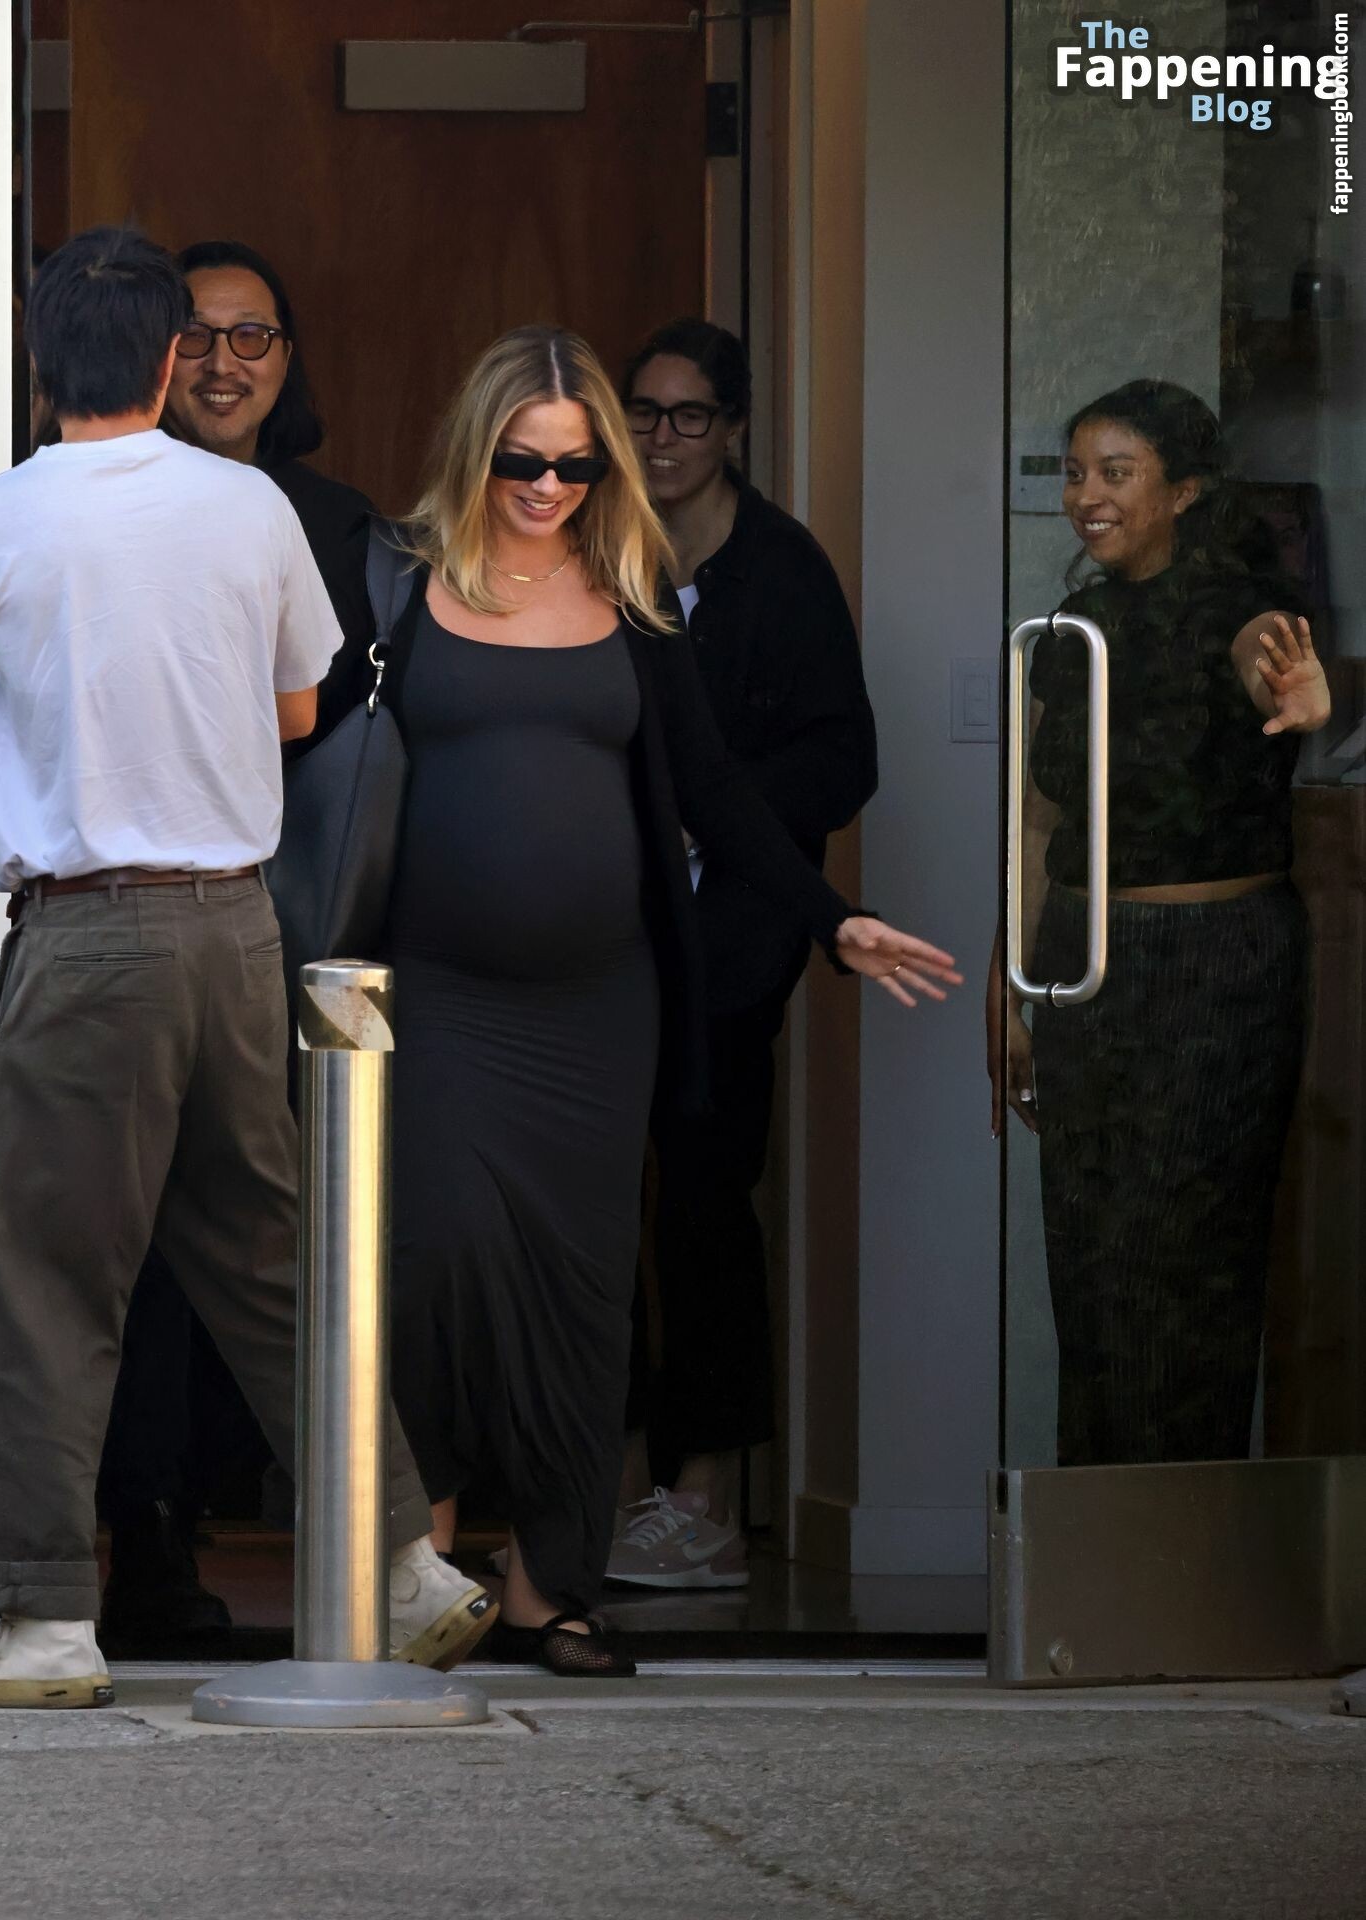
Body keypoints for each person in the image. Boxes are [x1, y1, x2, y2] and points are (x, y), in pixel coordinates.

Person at [0, 226, 489, 1709]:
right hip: (233, 928)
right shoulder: (251, 509)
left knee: (40, 1276)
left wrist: (10, 720)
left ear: (40, 365)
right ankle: (404, 1561)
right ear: (168, 362)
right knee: (274, 1264)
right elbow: (297, 710)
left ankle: (44, 1621)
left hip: (90, 936)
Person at [298, 324, 960, 1676]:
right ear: (474, 451)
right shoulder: (395, 583)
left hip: (599, 1011)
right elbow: (300, 740)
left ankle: (548, 1588)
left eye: (576, 466)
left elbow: (711, 787)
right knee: (432, 1266)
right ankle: (419, 1574)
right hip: (437, 999)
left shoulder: (634, 597)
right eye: (522, 463)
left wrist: (829, 919)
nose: (548, 489)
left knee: (579, 1292)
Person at [96, 238, 384, 1652]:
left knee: (268, 1240)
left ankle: (313, 1543)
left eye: (251, 336)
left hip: (297, 925)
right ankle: (149, 1545)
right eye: (196, 336)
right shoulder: (99, 498)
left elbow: (345, 728)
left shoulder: (339, 526)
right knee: (146, 1245)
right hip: (142, 913)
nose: (223, 363)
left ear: (289, 356)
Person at [986, 379, 1330, 1468]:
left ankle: (1180, 1539)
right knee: (1087, 1263)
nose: (1085, 495)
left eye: (1115, 473)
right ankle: (1097, 1544)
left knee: (1181, 1262)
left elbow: (1274, 664)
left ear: (1181, 490)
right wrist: (1009, 986)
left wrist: (1300, 693)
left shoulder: (1242, 605)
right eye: (1075, 473)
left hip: (1211, 970)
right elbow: (1036, 819)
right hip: (1081, 961)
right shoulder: (1070, 630)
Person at [606, 319, 877, 1590]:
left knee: (707, 1203)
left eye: (689, 416)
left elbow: (844, 759)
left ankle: (702, 1497)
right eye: (642, 413)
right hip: (601, 930)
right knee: (592, 1206)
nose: (662, 439)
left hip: (734, 941)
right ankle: (604, 1479)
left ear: (734, 429)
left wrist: (714, 815)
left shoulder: (781, 568)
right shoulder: (593, 544)